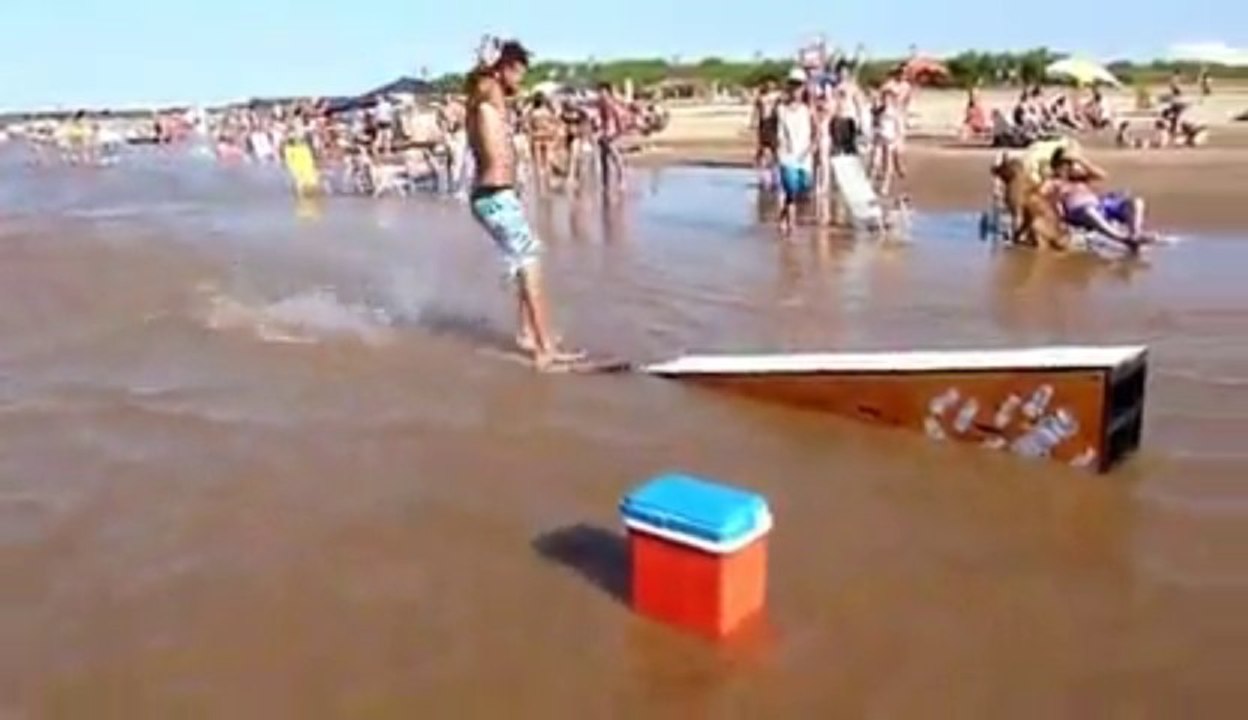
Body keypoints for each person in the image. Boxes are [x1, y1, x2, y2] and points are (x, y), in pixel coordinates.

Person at [465, 38, 582, 369]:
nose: (522, 81)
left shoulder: (495, 96)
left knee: (526, 257)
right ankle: (545, 350)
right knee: (529, 261)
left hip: (497, 196)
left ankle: (528, 334)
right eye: (519, 73)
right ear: (505, 69)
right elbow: (481, 84)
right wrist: (487, 63)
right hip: (493, 195)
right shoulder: (487, 90)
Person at [1046, 147, 1154, 250]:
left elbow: (1102, 175)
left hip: (1100, 206)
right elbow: (1045, 195)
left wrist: (1081, 161)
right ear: (1056, 166)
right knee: (1088, 211)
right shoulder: (1053, 182)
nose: (1070, 167)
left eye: (1071, 164)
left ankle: (1135, 233)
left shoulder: (1079, 178)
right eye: (1066, 164)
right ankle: (1121, 238)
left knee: (1135, 202)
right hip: (1079, 211)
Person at [775, 69, 816, 234]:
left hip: (804, 155)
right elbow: (778, 133)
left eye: (799, 86)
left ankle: (784, 213)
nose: (796, 89)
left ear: (804, 88)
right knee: (790, 188)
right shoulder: (781, 109)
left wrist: (812, 148)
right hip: (787, 155)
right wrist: (779, 149)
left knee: (804, 186)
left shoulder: (808, 110)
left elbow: (817, 131)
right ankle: (791, 226)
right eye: (793, 85)